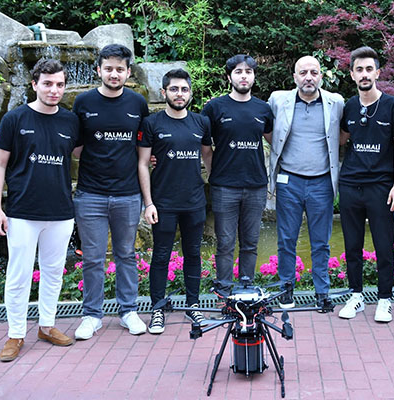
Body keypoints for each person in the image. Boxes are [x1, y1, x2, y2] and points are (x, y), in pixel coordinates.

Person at [0, 58, 79, 361]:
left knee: (53, 272)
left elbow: (88, 154)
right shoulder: (14, 119)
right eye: (48, 84)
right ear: (34, 84)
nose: (54, 90)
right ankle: (16, 334)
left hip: (61, 212)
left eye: (60, 84)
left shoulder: (70, 121)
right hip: (22, 212)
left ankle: (47, 326)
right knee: (19, 275)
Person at [72, 44, 149, 339]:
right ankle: (92, 315)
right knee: (92, 258)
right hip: (90, 193)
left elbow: (143, 145)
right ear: (98, 70)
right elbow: (76, 148)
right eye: (108, 68)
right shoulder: (83, 102)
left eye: (119, 69)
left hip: (128, 193)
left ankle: (128, 311)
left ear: (128, 72)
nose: (113, 74)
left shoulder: (137, 103)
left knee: (126, 254)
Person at [138, 68, 213, 334]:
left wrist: (215, 187)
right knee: (161, 256)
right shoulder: (152, 123)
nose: (179, 94)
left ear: (190, 93)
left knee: (193, 254)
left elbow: (208, 156)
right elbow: (143, 163)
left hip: (194, 201)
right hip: (164, 203)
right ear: (164, 92)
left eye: (184, 89)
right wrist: (149, 203)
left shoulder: (201, 122)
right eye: (174, 89)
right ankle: (157, 309)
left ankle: (193, 305)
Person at [268, 55, 344, 309]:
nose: (308, 77)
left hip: (322, 182)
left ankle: (322, 292)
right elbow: (270, 132)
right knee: (286, 239)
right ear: (295, 77)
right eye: (303, 73)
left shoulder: (335, 102)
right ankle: (286, 289)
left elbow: (342, 136)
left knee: (321, 242)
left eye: (314, 72)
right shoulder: (278, 100)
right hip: (288, 181)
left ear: (321, 76)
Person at [337, 46, 394, 322]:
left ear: (378, 73)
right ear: (352, 75)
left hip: (381, 186)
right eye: (359, 70)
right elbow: (341, 139)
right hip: (350, 185)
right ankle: (356, 295)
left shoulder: (392, 105)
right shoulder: (349, 106)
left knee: (384, 245)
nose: (364, 74)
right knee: (352, 245)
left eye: (369, 69)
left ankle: (384, 299)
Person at [201, 55, 274, 293]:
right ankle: (224, 289)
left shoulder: (263, 109)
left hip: (256, 186)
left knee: (250, 242)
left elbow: (275, 141)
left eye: (248, 72)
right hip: (224, 187)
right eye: (239, 72)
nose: (244, 76)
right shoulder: (214, 108)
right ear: (229, 76)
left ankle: (246, 288)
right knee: (225, 243)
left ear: (254, 77)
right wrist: (214, 175)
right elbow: (205, 147)